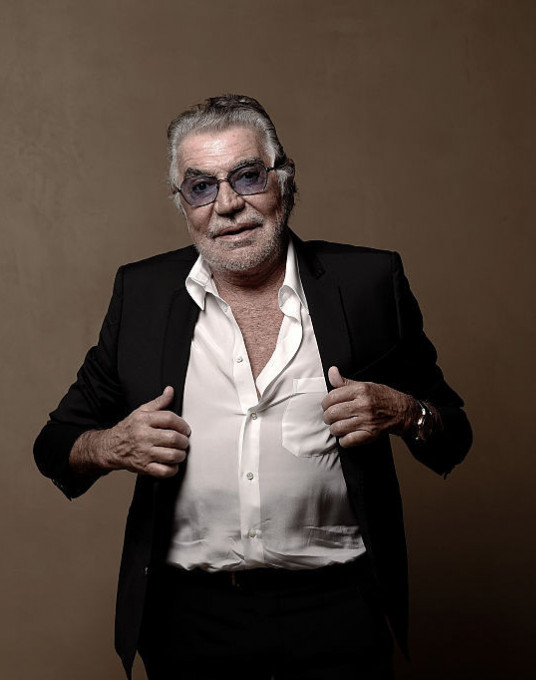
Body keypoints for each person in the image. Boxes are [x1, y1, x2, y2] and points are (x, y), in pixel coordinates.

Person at [34, 94, 472, 680]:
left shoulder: (366, 285)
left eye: (247, 176)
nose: (228, 205)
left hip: (338, 613)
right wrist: (111, 445)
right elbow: (54, 444)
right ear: (182, 203)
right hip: (189, 620)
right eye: (201, 187)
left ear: (283, 181)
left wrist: (404, 412)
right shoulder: (142, 296)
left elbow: (452, 433)